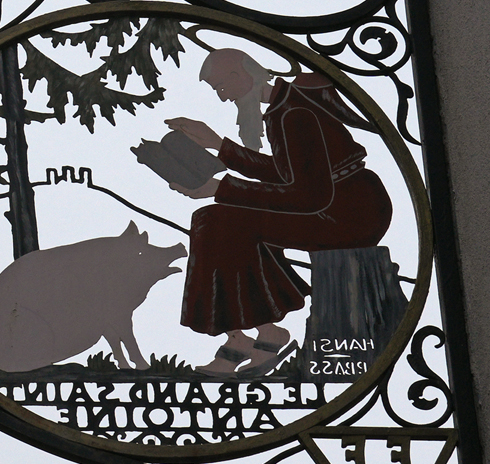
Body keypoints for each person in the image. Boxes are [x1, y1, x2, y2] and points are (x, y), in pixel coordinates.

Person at [160, 48, 393, 377]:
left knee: (218, 219)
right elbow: (288, 173)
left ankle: (259, 334)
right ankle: (250, 334)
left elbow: (308, 196)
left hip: (349, 214)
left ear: (240, 75)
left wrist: (222, 189)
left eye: (222, 87)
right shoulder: (284, 108)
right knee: (214, 219)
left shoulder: (294, 113)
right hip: (338, 205)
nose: (223, 98)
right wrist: (219, 146)